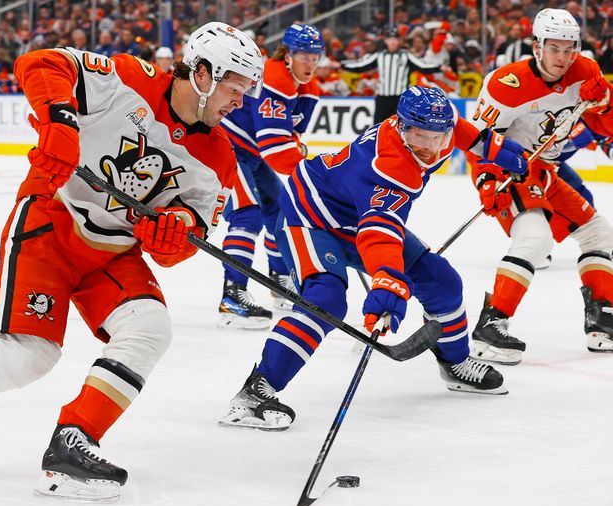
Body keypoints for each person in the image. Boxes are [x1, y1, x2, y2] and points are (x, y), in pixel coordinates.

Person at [0, 22, 264, 502]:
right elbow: (40, 63)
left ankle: (73, 441)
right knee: (28, 357)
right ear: (202, 73)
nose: (240, 101)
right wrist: (60, 122)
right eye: (235, 87)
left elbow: (187, 240)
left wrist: (174, 229)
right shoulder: (128, 79)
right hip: (52, 222)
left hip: (113, 252)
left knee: (151, 326)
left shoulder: (220, 157)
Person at [219, 86, 529, 430]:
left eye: (437, 137)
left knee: (442, 282)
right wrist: (386, 278)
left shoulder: (441, 126)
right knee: (326, 299)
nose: (429, 147)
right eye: (419, 136)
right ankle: (256, 391)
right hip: (310, 215)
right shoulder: (389, 165)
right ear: (400, 125)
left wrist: (498, 151)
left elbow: (466, 134)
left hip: (356, 212)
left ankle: (454, 362)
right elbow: (378, 231)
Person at [466, 8, 613, 365]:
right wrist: (487, 181)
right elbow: (479, 141)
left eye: (569, 49)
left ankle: (601, 319)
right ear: (536, 45)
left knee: (598, 233)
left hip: (546, 170)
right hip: (509, 168)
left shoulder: (587, 72)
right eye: (554, 48)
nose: (562, 57)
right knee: (535, 239)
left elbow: (605, 127)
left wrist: (605, 101)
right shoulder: (505, 83)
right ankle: (492, 324)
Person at [217, 23, 323, 329]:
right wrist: (316, 175)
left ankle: (279, 279)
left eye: (315, 57)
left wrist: (302, 156)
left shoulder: (309, 89)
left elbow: (292, 136)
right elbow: (276, 148)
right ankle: (232, 295)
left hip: (251, 154)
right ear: (287, 54)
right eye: (304, 55)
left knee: (280, 209)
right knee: (246, 215)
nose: (310, 64)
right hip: (225, 147)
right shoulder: (274, 76)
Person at [341, 27, 443, 124]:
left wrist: (439, 67)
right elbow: (361, 65)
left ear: (399, 40)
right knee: (379, 127)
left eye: (394, 39)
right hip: (382, 97)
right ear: (385, 41)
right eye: (390, 39)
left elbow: (423, 66)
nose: (392, 42)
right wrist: (342, 65)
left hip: (400, 98)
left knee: (401, 126)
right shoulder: (379, 55)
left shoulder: (406, 55)